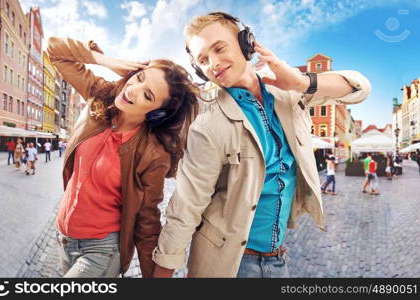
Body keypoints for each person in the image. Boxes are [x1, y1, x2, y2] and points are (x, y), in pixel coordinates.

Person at [152, 12, 371, 278]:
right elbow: (187, 204)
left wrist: (301, 81)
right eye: (203, 60)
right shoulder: (207, 125)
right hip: (230, 264)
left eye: (219, 48)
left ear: (247, 43)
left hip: (278, 259)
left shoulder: (288, 92)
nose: (213, 63)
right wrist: (163, 274)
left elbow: (360, 88)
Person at [47, 36, 199, 278]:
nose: (133, 90)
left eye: (148, 96)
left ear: (158, 113)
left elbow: (147, 220)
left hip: (102, 251)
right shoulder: (101, 98)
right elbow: (55, 51)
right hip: (64, 239)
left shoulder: (153, 154)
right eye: (139, 78)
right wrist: (108, 62)